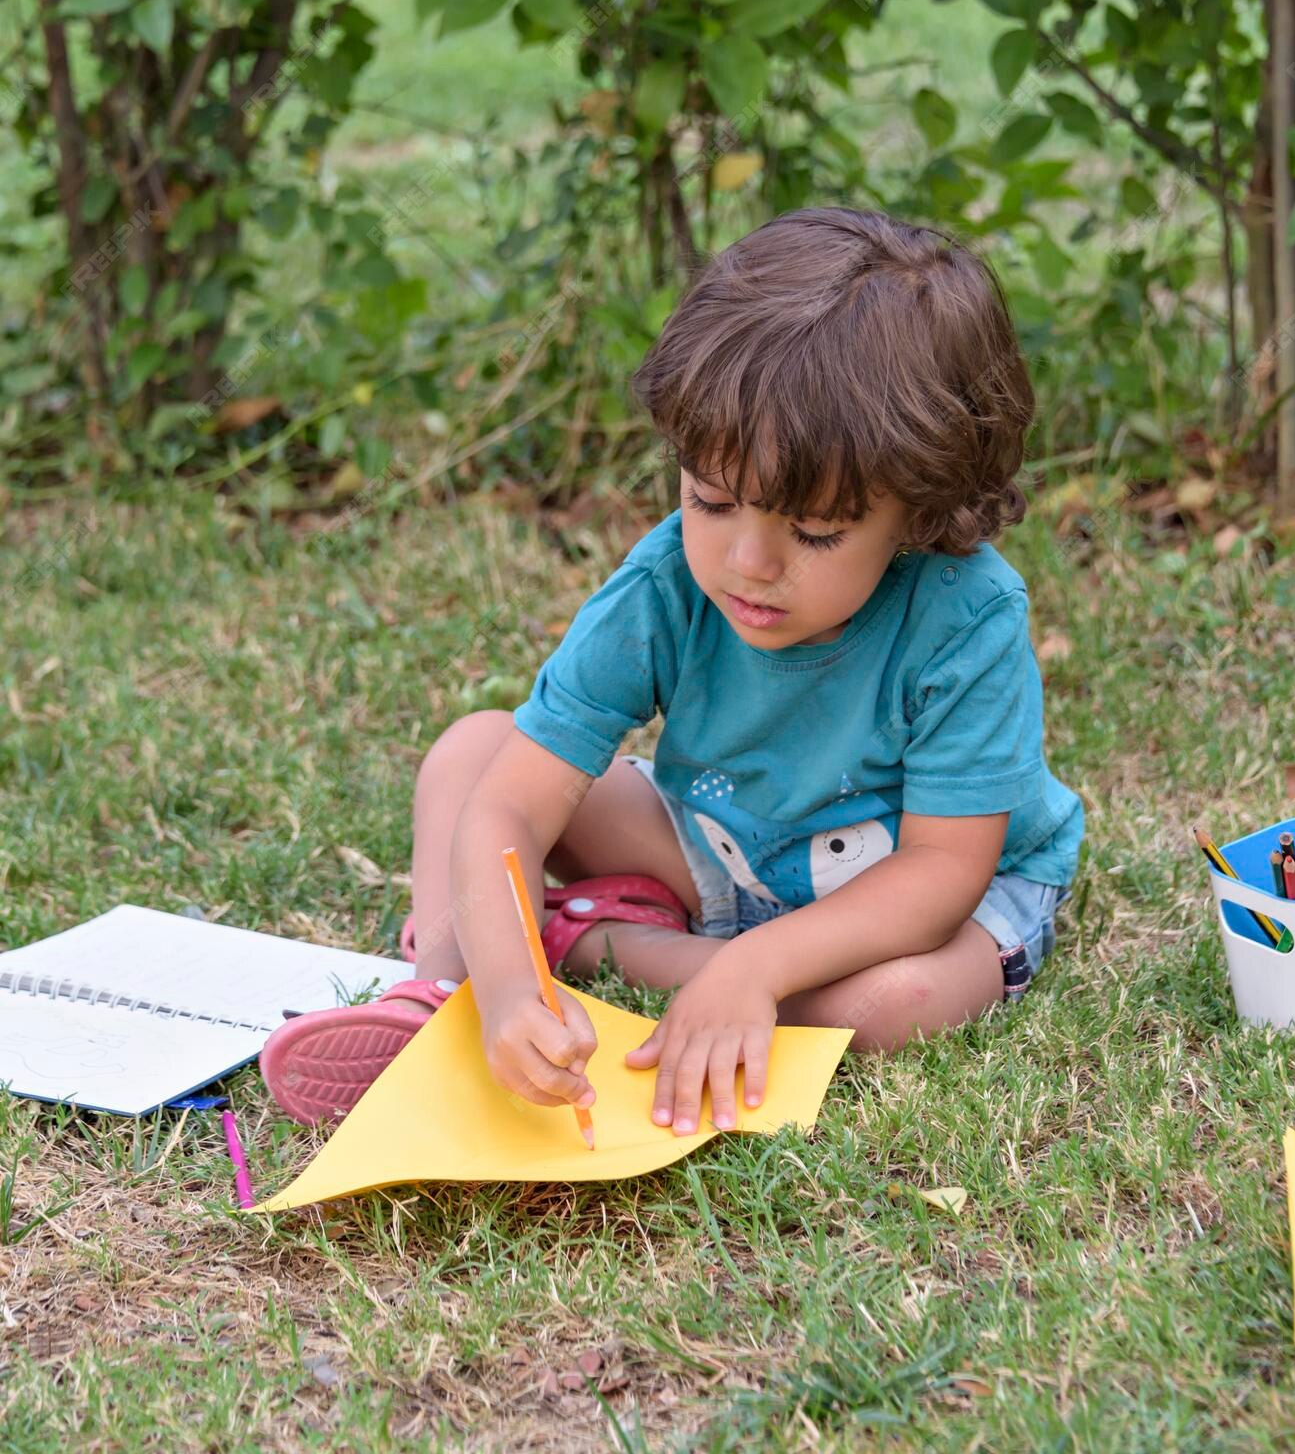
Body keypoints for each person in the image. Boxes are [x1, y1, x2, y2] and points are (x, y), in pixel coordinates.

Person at [261, 207, 1084, 1133]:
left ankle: (599, 942)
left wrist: (752, 968)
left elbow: (940, 875)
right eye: (711, 500)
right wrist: (502, 990)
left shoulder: (965, 613)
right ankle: (441, 997)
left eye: (814, 531)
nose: (748, 562)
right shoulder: (665, 584)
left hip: (917, 892)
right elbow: (511, 803)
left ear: (923, 511)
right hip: (720, 850)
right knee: (471, 755)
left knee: (890, 1009)